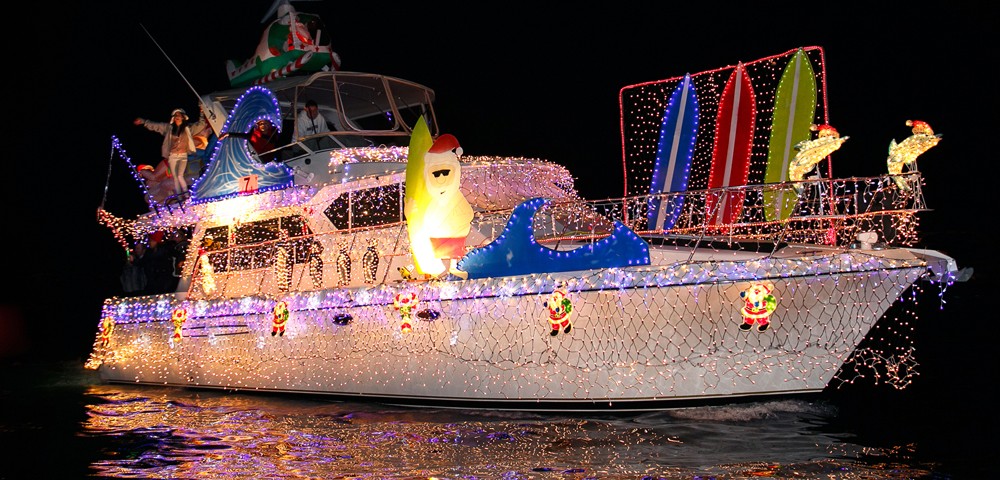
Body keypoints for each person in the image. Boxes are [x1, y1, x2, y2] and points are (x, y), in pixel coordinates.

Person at [134, 109, 197, 197]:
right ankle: (181, 196)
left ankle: (185, 195)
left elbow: (200, 125)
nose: (177, 117)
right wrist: (144, 122)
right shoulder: (169, 128)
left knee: (177, 177)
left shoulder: (188, 129)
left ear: (183, 117)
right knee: (160, 178)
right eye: (175, 115)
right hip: (171, 158)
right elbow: (156, 125)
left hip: (182, 157)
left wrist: (203, 113)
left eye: (179, 115)